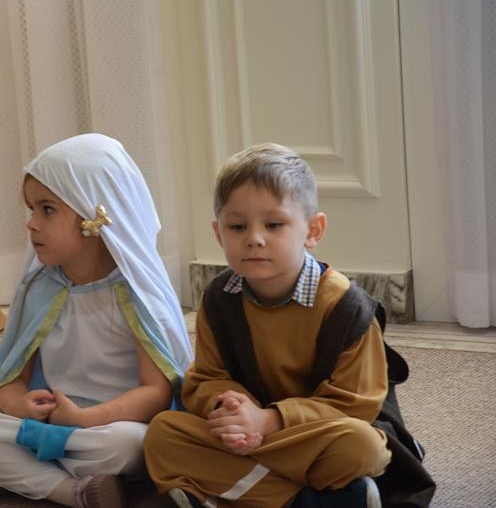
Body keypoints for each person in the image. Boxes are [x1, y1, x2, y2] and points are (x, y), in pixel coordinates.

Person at [143, 143, 434, 507]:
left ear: (313, 230)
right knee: (162, 434)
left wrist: (268, 421)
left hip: (315, 431)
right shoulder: (219, 298)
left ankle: (239, 488)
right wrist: (232, 407)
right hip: (255, 431)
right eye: (237, 226)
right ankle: (311, 500)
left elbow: (355, 404)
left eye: (274, 224)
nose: (254, 238)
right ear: (218, 234)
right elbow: (205, 378)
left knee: (362, 448)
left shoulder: (346, 307)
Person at [0, 133, 193, 508]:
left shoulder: (136, 293)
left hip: (110, 426)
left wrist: (87, 418)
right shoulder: (40, 288)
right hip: (48, 424)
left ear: (95, 217)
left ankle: (13, 475)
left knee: (130, 445)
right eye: (31, 210)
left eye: (47, 209)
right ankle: (73, 491)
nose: (31, 224)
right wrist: (20, 406)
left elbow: (156, 392)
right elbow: (11, 380)